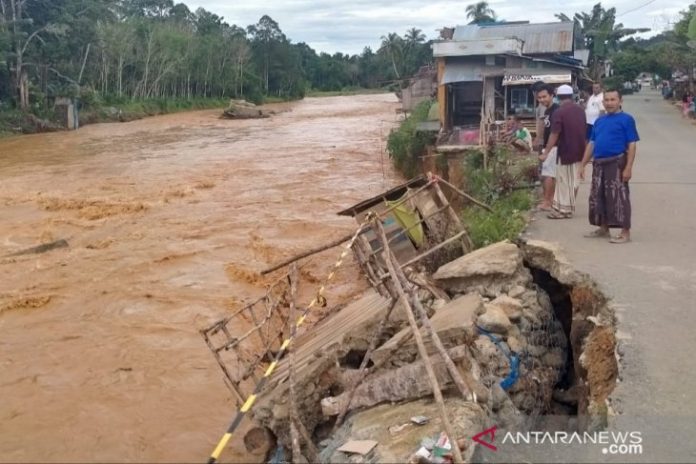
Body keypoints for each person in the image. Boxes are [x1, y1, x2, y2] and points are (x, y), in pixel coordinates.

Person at [579, 89, 639, 243]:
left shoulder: (626, 119)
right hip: (599, 164)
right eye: (607, 100)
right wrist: (583, 164)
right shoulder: (599, 121)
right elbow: (592, 143)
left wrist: (628, 168)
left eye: (613, 100)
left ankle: (625, 232)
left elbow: (631, 144)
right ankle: (603, 228)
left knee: (619, 197)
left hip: (617, 162)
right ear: (603, 102)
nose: (609, 103)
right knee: (598, 196)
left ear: (620, 101)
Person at [540, 84, 586, 218]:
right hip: (579, 150)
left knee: (563, 181)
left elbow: (554, 133)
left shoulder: (559, 112)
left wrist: (546, 152)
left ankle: (563, 210)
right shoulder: (580, 110)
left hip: (565, 151)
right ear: (571, 96)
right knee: (574, 180)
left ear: (557, 97)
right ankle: (569, 208)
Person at [535, 84, 558, 211]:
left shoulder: (555, 110)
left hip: (552, 147)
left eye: (544, 97)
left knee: (548, 175)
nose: (542, 100)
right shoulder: (548, 110)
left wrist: (547, 151)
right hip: (549, 147)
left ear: (552, 95)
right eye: (539, 98)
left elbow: (554, 133)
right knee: (549, 175)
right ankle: (550, 200)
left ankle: (547, 202)